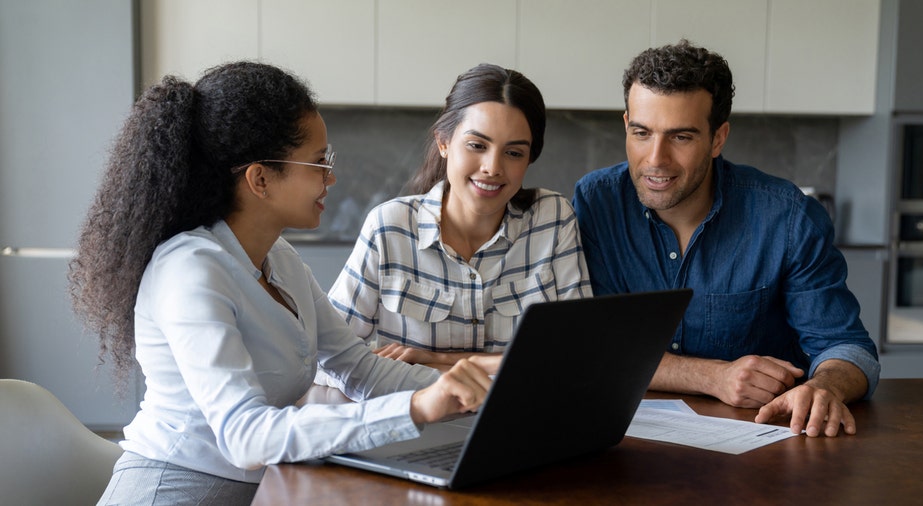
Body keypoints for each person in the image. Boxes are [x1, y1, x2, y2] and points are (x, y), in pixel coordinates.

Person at [68, 61, 499, 506]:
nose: (330, 177)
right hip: (174, 491)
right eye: (317, 162)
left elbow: (360, 368)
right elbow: (246, 437)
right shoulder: (190, 269)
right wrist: (417, 407)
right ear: (259, 179)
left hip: (258, 491)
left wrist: (472, 394)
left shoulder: (280, 260)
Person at [572, 41, 880, 438]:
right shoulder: (597, 203)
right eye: (641, 133)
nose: (655, 159)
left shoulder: (787, 217)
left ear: (718, 138)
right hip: (627, 444)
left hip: (764, 444)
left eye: (681, 137)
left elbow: (848, 348)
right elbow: (597, 347)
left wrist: (825, 387)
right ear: (627, 123)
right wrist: (712, 376)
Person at [326, 63, 591, 370]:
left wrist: (439, 361)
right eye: (477, 145)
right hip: (414, 416)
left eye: (514, 153)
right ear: (444, 143)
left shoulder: (553, 219)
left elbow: (580, 354)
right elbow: (329, 356)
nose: (493, 167)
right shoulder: (389, 227)